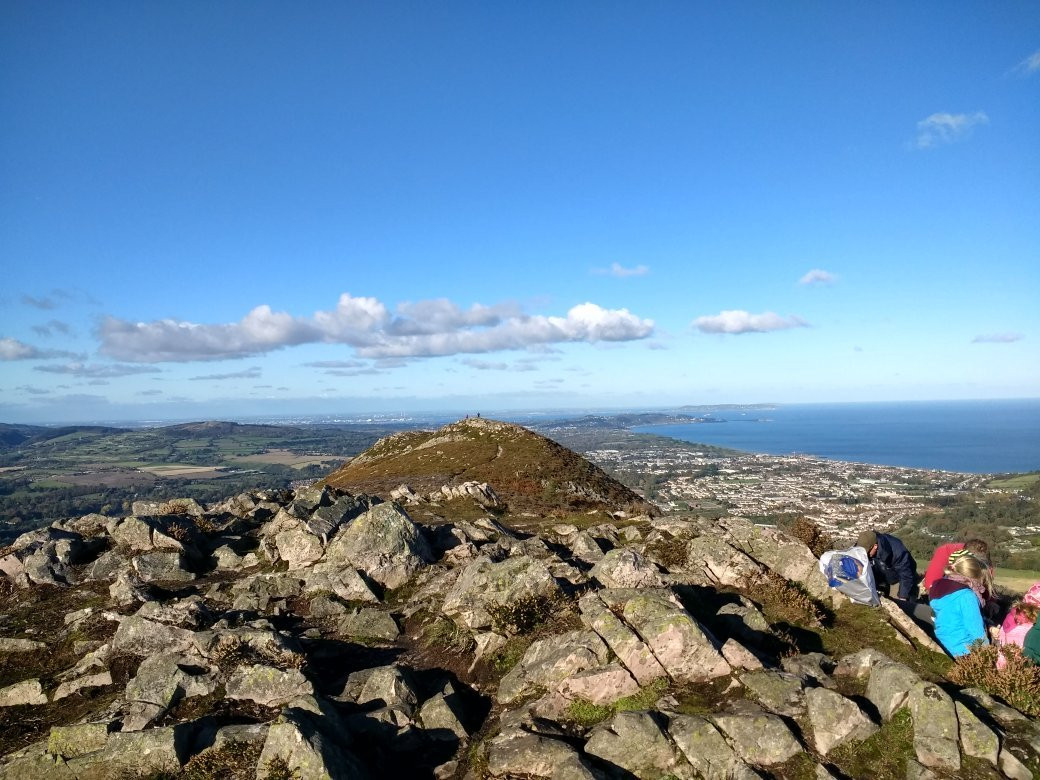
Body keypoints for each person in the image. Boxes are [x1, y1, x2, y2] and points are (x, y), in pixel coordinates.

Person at [930, 549, 991, 657]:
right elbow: (975, 630)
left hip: (944, 643)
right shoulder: (967, 596)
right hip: (964, 650)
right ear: (975, 577)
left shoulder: (939, 589)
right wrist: (987, 655)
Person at [857, 530, 919, 602]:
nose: (865, 555)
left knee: (907, 598)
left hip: (906, 570)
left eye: (867, 552)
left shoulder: (898, 552)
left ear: (875, 546)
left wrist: (903, 598)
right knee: (879, 591)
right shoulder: (866, 543)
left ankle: (912, 597)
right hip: (883, 569)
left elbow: (905, 575)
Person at [996, 583, 1040, 668]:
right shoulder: (1030, 626)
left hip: (1002, 665)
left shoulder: (1011, 616)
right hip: (1021, 671)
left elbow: (1001, 638)